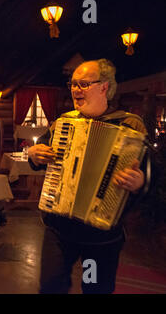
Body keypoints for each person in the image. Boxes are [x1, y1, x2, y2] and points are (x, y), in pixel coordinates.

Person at [28, 59, 147, 294]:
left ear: (104, 87)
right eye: (73, 84)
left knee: (95, 289)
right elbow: (40, 156)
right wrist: (33, 154)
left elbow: (151, 174)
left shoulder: (130, 126)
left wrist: (140, 182)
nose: (75, 90)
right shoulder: (64, 123)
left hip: (101, 235)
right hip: (59, 227)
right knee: (51, 286)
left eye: (83, 84)